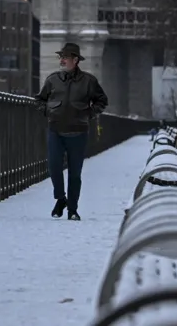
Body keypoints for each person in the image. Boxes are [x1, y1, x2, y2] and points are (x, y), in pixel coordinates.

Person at [34, 43, 109, 221]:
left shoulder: (88, 81)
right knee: (54, 167)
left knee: (75, 173)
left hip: (78, 132)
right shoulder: (52, 80)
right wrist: (48, 112)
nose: (61, 60)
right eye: (60, 57)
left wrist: (88, 114)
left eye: (65, 57)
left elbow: (102, 101)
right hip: (55, 130)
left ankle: (72, 210)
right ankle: (61, 199)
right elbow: (39, 100)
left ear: (75, 60)